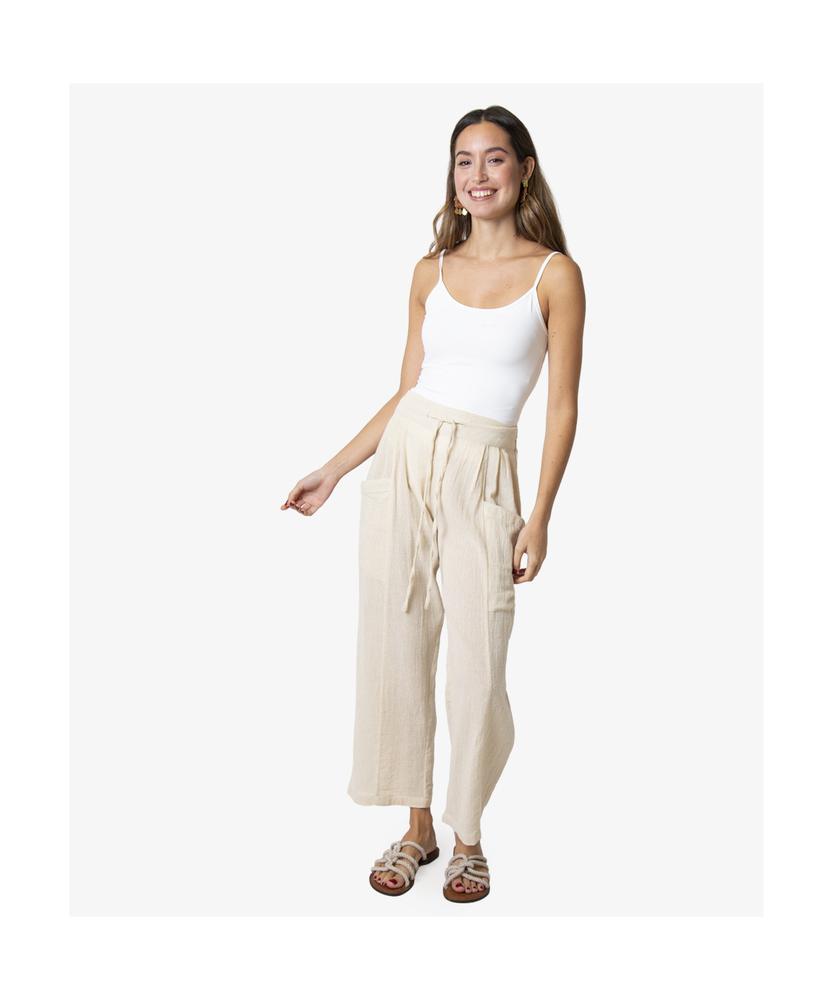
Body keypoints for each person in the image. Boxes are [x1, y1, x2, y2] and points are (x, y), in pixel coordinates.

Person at [282, 105, 585, 903]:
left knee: (479, 659)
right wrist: (334, 469)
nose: (477, 175)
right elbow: (407, 390)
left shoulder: (554, 274)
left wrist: (540, 514)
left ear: (523, 168)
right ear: (451, 178)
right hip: (406, 456)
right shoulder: (430, 271)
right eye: (463, 160)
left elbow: (560, 407)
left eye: (494, 158)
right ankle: (416, 829)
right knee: (397, 638)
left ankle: (468, 836)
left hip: (485, 470)